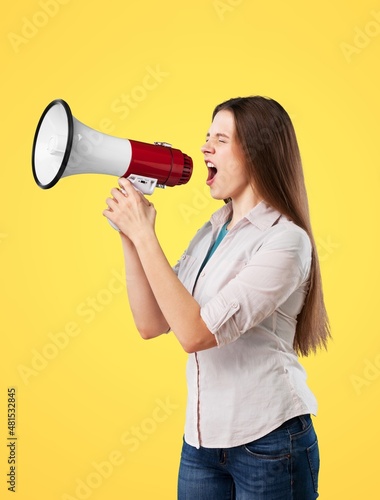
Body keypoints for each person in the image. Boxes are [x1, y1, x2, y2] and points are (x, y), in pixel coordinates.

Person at [103, 96, 330, 499]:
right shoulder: (212, 231)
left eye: (220, 139)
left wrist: (145, 235)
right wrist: (129, 234)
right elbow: (151, 323)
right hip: (202, 443)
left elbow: (195, 334)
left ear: (257, 152)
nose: (204, 148)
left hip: (271, 443)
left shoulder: (286, 242)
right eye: (207, 137)